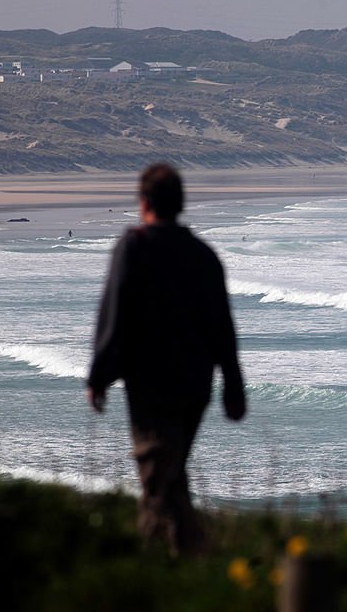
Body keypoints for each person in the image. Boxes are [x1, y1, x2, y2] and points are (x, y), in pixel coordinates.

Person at [86, 163, 246, 555]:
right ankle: (171, 557)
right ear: (180, 204)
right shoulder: (204, 256)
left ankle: (181, 557)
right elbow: (223, 329)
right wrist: (233, 387)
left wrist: (98, 376)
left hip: (150, 383)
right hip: (194, 385)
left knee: (157, 470)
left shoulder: (136, 245)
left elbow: (115, 313)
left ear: (144, 203)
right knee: (167, 472)